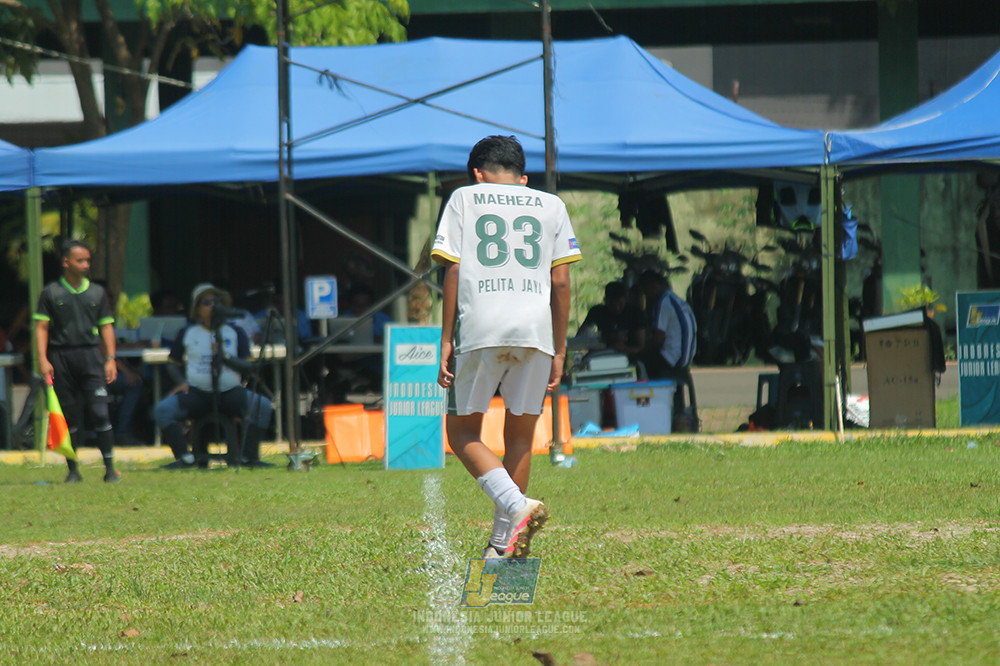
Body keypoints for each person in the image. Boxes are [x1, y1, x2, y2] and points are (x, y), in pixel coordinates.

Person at [432, 135, 582, 558]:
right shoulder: (552, 204)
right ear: (524, 177)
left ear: (477, 174)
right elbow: (561, 282)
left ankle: (516, 506)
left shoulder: (465, 198)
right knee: (520, 436)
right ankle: (501, 547)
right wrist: (559, 349)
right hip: (536, 332)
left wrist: (446, 339)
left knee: (462, 433)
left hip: (481, 327)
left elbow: (453, 271)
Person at [153, 283, 274, 468]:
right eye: (206, 302)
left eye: (216, 301)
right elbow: (172, 363)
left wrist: (225, 357)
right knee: (162, 410)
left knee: (263, 406)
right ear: (197, 309)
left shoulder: (236, 332)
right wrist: (181, 382)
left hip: (230, 393)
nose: (212, 305)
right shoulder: (187, 333)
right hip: (197, 394)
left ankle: (249, 458)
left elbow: (248, 366)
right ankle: (184, 458)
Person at [34, 240, 121, 483]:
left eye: (87, 261)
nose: (85, 265)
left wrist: (110, 358)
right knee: (70, 417)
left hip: (91, 356)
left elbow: (106, 326)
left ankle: (110, 469)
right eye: (80, 260)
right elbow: (41, 327)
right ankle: (73, 470)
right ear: (66, 262)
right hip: (61, 358)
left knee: (100, 412)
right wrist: (42, 358)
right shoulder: (51, 293)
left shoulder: (97, 292)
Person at [638, 269, 697, 417]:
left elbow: (658, 339)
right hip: (685, 358)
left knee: (638, 363)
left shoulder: (663, 303)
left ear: (654, 286)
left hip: (672, 359)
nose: (647, 297)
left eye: (646, 292)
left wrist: (639, 350)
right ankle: (677, 408)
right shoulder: (677, 300)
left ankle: (649, 408)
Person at [577, 280, 646, 361]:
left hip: (629, 358)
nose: (617, 308)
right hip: (601, 356)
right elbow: (581, 334)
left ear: (626, 300)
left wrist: (625, 349)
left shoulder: (635, 314)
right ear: (605, 300)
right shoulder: (597, 312)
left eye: (620, 304)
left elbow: (641, 346)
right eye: (612, 304)